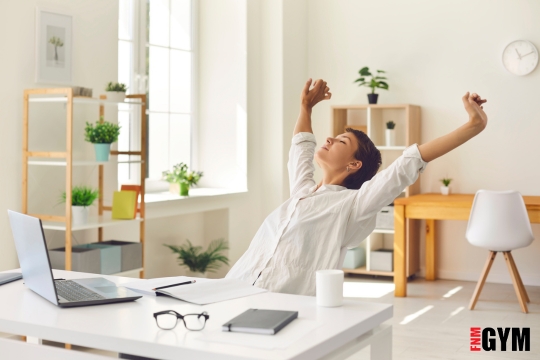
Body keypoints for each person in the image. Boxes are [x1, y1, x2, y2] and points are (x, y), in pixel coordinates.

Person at [225, 78, 487, 296]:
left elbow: (409, 162)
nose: (329, 138)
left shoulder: (353, 205)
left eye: (340, 141)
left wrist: (473, 126)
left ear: (354, 164)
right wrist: (306, 107)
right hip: (234, 286)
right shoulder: (302, 192)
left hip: (278, 304)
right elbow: (301, 147)